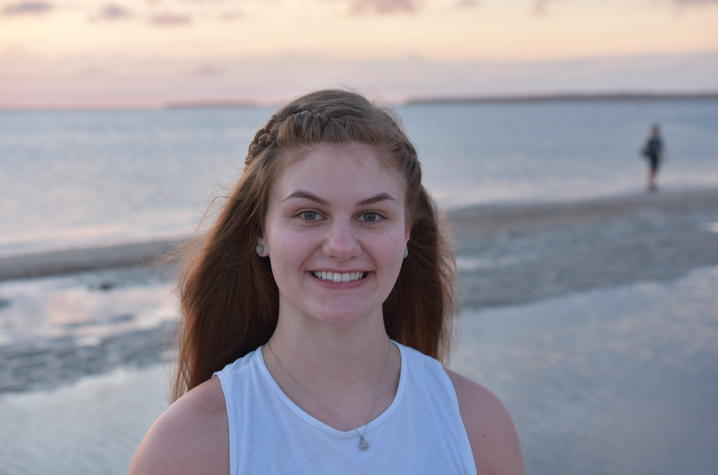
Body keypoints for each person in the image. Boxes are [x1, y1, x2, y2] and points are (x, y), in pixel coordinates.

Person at [129, 89, 524, 474]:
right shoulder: (189, 444)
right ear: (260, 232)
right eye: (308, 214)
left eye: (371, 216)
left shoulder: (477, 425)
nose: (340, 246)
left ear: (407, 233)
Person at [641, 124, 664, 191]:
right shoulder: (651, 139)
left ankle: (653, 183)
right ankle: (651, 183)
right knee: (651, 170)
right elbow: (647, 147)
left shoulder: (658, 139)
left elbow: (661, 148)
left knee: (655, 170)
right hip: (652, 156)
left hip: (656, 156)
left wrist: (663, 155)